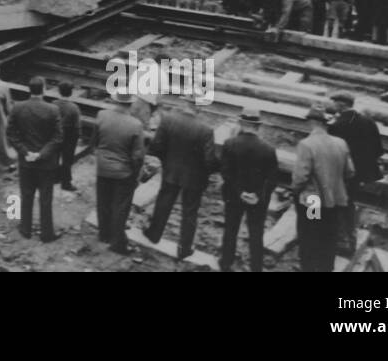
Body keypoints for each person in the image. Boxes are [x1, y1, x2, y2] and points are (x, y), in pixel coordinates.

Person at [144, 98, 218, 260]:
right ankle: (184, 248)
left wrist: (167, 162)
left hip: (171, 171)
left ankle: (153, 234)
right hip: (195, 177)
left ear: (185, 105)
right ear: (199, 109)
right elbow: (209, 160)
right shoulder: (205, 130)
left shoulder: (168, 119)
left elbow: (156, 146)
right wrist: (211, 171)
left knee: (164, 202)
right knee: (190, 212)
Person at [292, 104, 354, 272]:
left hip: (313, 201)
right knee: (329, 238)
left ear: (312, 122)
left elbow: (300, 177)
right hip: (334, 200)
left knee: (310, 237)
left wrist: (295, 191)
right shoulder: (341, 143)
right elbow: (350, 172)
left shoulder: (307, 144)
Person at [218, 108, 277, 273]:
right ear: (257, 126)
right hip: (258, 200)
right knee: (256, 233)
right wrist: (257, 195)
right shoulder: (268, 149)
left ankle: (226, 263)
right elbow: (272, 179)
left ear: (242, 124)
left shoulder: (230, 144)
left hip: (233, 196)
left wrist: (240, 192)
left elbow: (226, 173)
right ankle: (256, 267)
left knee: (231, 229)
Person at [327, 93, 384, 254]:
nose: (334, 106)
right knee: (350, 202)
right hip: (360, 174)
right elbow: (378, 150)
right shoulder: (368, 121)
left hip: (341, 173)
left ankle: (342, 242)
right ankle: (350, 240)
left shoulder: (337, 125)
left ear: (341, 105)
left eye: (335, 103)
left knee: (339, 204)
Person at [7, 77, 62, 243]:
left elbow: (11, 133)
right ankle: (47, 234)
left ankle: (25, 229)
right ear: (43, 89)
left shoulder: (18, 107)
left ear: (29, 89)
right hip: (46, 163)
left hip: (26, 161)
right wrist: (41, 153)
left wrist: (25, 152)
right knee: (46, 198)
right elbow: (58, 137)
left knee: (26, 194)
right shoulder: (53, 109)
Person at [94, 93, 145, 253]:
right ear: (131, 104)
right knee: (120, 207)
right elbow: (137, 156)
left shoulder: (101, 115)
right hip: (123, 172)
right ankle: (117, 243)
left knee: (103, 203)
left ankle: (104, 235)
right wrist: (136, 174)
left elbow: (94, 142)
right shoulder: (136, 124)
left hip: (102, 168)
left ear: (115, 100)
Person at [55, 82, 83, 191]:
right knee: (67, 160)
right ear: (71, 93)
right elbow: (77, 126)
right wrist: (79, 137)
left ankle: (55, 178)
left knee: (55, 157)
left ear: (59, 91)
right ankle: (65, 183)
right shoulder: (74, 108)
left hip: (56, 134)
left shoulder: (53, 104)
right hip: (69, 136)